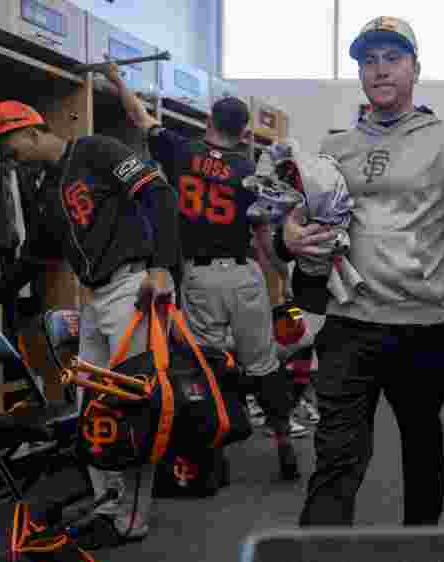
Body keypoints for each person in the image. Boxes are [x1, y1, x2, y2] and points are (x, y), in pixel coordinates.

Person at [263, 16, 444, 562]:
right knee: (336, 463)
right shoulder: (332, 149)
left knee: (421, 452)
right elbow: (293, 228)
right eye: (369, 58)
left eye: (392, 57)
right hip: (349, 327)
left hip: (420, 331)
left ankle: (421, 551)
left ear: (414, 68)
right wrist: (286, 237)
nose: (379, 68)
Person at [0, 101, 181, 549]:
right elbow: (33, 259)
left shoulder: (97, 150)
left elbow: (159, 194)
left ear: (31, 131)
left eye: (5, 143)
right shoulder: (45, 187)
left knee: (129, 408)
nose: (4, 154)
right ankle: (108, 504)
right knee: (94, 407)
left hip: (133, 286)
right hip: (94, 298)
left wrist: (164, 267)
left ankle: (131, 518)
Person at [97, 60, 303, 480]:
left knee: (210, 365)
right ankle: (283, 439)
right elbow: (263, 235)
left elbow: (140, 116)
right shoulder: (248, 171)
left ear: (209, 120)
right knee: (263, 364)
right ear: (245, 134)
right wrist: (283, 278)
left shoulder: (178, 149)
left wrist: (117, 79)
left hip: (199, 278)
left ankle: (215, 452)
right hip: (244, 274)